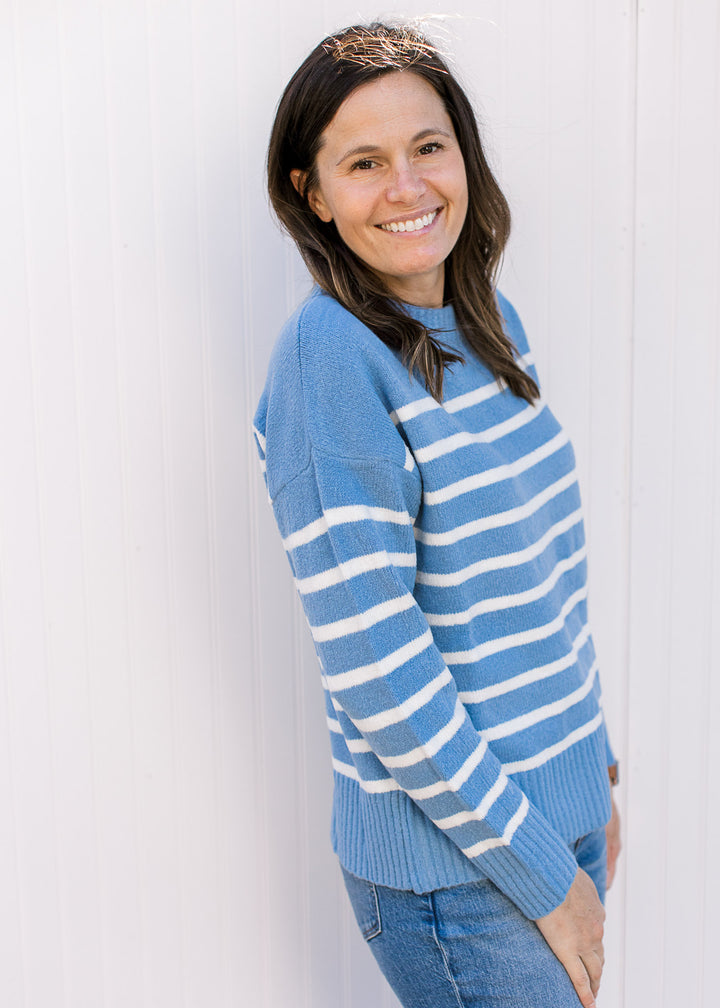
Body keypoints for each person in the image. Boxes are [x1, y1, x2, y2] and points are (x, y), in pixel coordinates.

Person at [254, 22, 621, 1008]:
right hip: (462, 874)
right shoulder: (329, 361)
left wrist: (596, 769)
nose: (409, 186)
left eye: (428, 146)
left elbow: (544, 574)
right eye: (363, 162)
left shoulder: (485, 318)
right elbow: (382, 673)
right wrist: (546, 875)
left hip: (555, 818)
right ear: (311, 193)